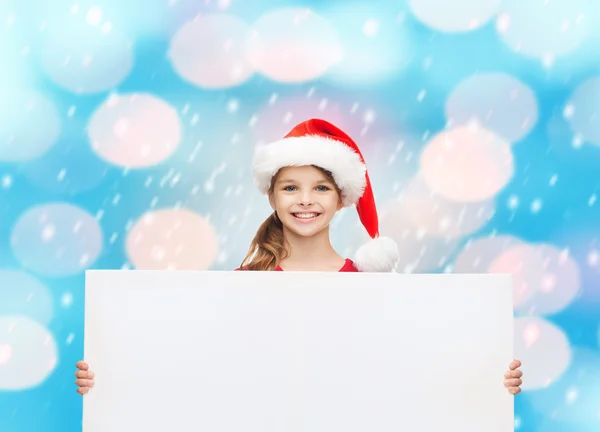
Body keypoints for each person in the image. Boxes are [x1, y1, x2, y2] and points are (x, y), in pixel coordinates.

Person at [75, 118, 523, 394]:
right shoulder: (242, 283)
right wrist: (112, 378)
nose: (304, 201)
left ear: (342, 197)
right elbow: (196, 365)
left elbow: (415, 371)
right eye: (290, 187)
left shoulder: (372, 288)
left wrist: (487, 382)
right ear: (271, 195)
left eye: (320, 187)